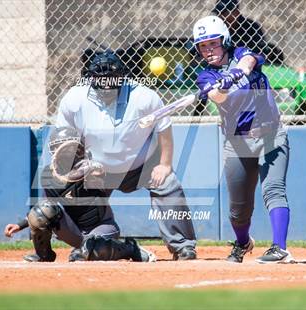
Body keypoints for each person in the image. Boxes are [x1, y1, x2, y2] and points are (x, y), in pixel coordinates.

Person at [33, 51, 196, 261]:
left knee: (167, 183)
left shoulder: (144, 97)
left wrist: (165, 164)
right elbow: (64, 143)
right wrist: (82, 167)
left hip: (141, 165)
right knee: (57, 184)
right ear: (90, 78)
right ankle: (93, 242)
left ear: (123, 77)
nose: (106, 86)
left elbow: (163, 128)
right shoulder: (74, 99)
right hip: (95, 168)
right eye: (99, 80)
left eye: (112, 80)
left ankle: (183, 246)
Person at [192, 15, 294, 263]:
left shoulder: (241, 54)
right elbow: (219, 98)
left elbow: (251, 60)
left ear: (224, 41)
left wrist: (236, 73)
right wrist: (222, 85)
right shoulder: (205, 77)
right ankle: (242, 243)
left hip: (271, 135)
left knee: (273, 190)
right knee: (239, 210)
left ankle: (279, 248)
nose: (209, 51)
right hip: (237, 142)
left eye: (213, 44)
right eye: (203, 47)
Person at [4, 126, 157, 263]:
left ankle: (130, 248)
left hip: (101, 227)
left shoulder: (93, 168)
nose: (65, 152)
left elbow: (122, 179)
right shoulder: (49, 176)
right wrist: (20, 225)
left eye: (70, 148)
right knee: (41, 211)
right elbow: (45, 205)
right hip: (74, 231)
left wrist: (106, 173)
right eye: (59, 148)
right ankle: (44, 255)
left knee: (85, 253)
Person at [212, 0, 284, 65]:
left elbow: (259, 48)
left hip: (248, 60)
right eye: (218, 13)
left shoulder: (251, 26)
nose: (220, 16)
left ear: (236, 12)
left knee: (273, 50)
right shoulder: (217, 28)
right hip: (224, 60)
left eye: (224, 13)